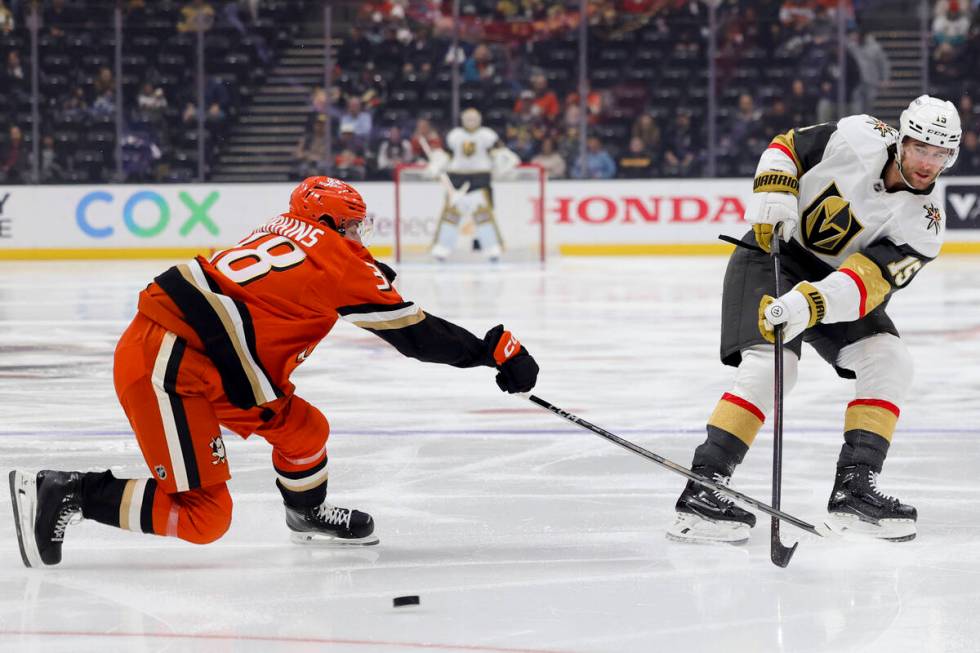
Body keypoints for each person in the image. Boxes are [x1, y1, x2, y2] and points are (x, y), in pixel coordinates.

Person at [9, 176, 540, 568]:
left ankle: (306, 514)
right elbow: (417, 336)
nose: (360, 236)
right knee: (204, 517)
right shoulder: (337, 259)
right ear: (331, 224)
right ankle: (68, 491)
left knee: (305, 430)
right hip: (169, 366)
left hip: (207, 354)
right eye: (353, 226)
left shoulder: (282, 229)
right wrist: (493, 352)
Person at [667, 95, 960, 545]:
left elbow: (867, 284)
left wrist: (811, 304)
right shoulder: (859, 134)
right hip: (772, 255)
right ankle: (704, 487)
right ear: (902, 139)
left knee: (890, 361)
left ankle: (854, 489)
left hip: (834, 286)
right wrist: (775, 190)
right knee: (773, 369)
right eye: (921, 147)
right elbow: (787, 146)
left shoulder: (925, 224)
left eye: (940, 155)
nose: (927, 163)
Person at [425, 107, 520, 262]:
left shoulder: (487, 135)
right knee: (451, 216)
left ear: (480, 119)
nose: (471, 122)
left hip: (480, 179)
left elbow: (498, 153)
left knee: (484, 216)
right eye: (468, 118)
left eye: (474, 118)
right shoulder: (454, 136)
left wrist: (507, 161)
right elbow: (446, 155)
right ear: (462, 119)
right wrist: (436, 164)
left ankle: (492, 249)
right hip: (456, 180)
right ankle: (442, 248)